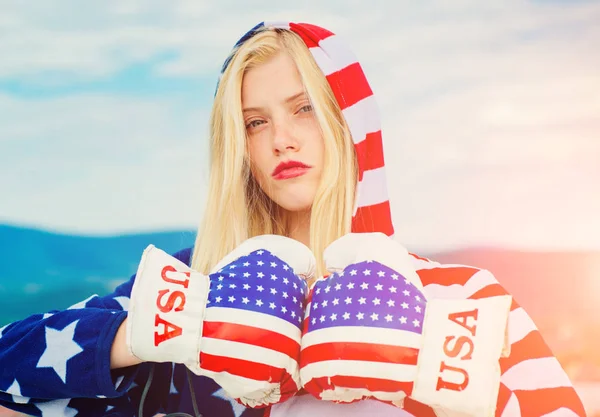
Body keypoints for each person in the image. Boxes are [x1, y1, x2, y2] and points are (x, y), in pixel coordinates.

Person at [0, 20, 587, 417]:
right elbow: (9, 364)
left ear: (349, 123)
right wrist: (154, 332)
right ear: (239, 147)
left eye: (304, 109)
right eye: (255, 122)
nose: (281, 139)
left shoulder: (457, 298)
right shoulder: (195, 287)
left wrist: (431, 364)